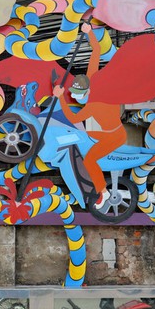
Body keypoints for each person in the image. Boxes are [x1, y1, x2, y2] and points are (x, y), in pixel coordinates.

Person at [52, 22, 127, 209]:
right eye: (74, 93)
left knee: (90, 160)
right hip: (108, 132)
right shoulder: (92, 79)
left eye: (79, 94)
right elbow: (96, 51)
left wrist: (60, 98)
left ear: (87, 91)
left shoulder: (93, 106)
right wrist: (89, 33)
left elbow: (73, 118)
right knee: (80, 137)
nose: (75, 97)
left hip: (113, 137)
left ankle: (103, 192)